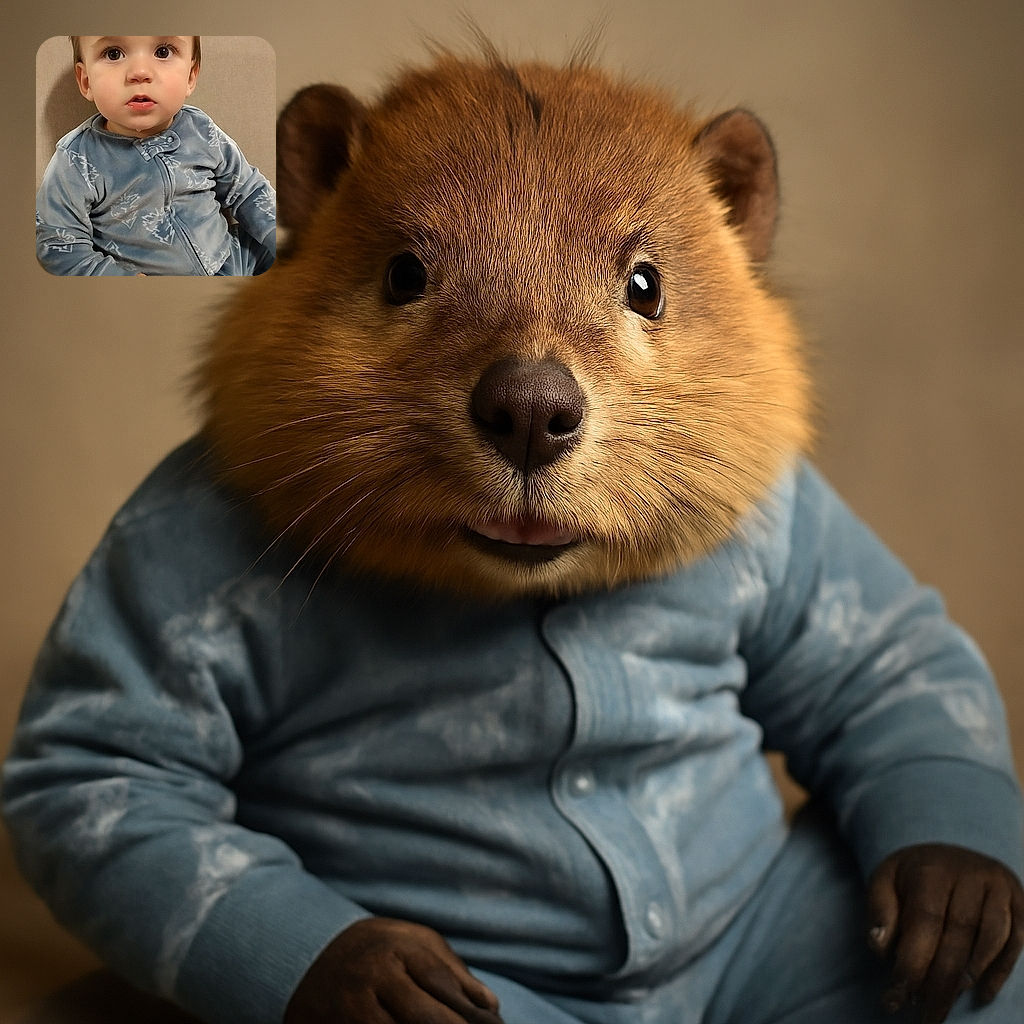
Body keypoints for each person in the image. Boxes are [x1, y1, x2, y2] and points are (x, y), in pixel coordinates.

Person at [36, 35, 275, 276]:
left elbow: (248, 190)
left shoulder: (200, 129)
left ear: (190, 76)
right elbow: (58, 244)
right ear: (86, 81)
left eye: (163, 52)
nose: (140, 73)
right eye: (113, 54)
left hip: (235, 257)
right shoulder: (77, 158)